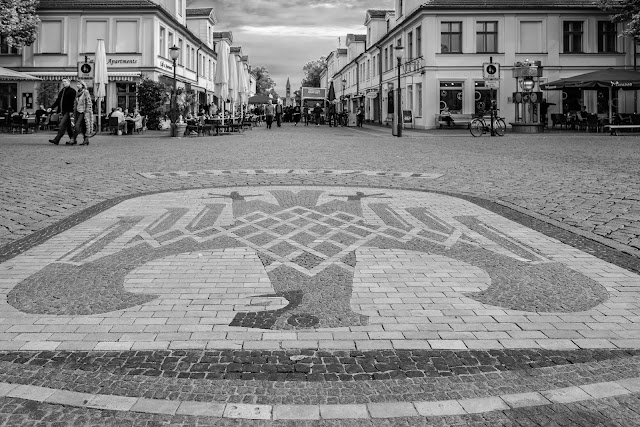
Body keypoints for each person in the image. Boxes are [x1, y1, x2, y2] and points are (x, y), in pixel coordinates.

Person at [47, 78, 77, 145]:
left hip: (68, 111)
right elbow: (58, 101)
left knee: (62, 125)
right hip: (63, 111)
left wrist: (71, 111)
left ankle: (57, 139)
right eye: (63, 82)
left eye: (65, 81)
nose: (64, 83)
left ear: (69, 82)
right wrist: (51, 108)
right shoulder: (62, 91)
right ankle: (73, 139)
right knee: (68, 127)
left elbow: (73, 102)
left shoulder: (72, 91)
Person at [71, 80, 93, 145]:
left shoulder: (85, 92)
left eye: (79, 84)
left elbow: (89, 102)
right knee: (83, 126)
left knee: (77, 125)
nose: (77, 85)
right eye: (77, 84)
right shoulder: (77, 93)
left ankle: (73, 139)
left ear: (82, 85)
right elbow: (76, 103)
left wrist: (87, 110)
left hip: (83, 112)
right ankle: (86, 140)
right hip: (77, 111)